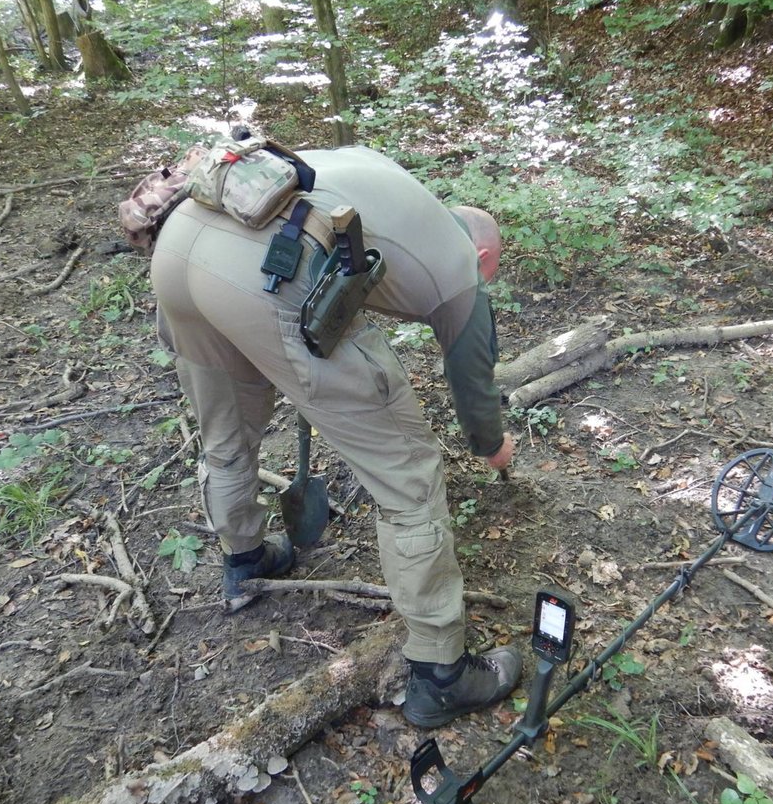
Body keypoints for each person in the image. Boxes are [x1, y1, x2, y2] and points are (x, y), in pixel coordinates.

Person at [150, 143, 521, 728]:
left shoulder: (380, 182)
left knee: (228, 434)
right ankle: (442, 672)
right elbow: (472, 381)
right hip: (268, 273)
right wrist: (492, 445)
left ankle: (244, 560)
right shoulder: (458, 262)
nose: (484, 279)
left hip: (179, 248)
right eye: (490, 269)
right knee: (409, 475)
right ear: (481, 252)